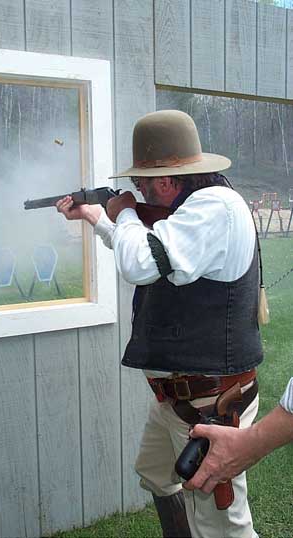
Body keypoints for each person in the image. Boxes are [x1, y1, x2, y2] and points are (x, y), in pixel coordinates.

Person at [56, 110, 264, 538]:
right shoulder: (194, 207)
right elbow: (148, 249)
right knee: (155, 474)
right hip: (178, 396)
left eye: (141, 184)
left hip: (209, 402)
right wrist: (100, 217)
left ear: (166, 183)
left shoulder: (214, 208)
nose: (137, 191)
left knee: (224, 528)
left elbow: (141, 260)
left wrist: (125, 211)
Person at [184, 377, 293, 494]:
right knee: (167, 488)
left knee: (215, 503)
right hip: (171, 398)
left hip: (212, 393)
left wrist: (252, 442)